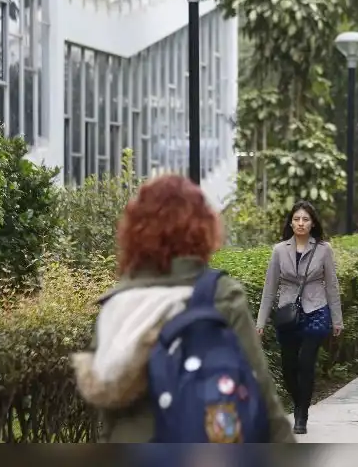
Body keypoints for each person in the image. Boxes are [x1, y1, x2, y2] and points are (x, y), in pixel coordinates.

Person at [71, 175, 296, 443]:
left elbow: (107, 413)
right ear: (202, 229)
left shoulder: (117, 306)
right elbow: (260, 390)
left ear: (134, 232)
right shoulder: (220, 294)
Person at [256, 201, 343, 435]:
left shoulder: (323, 249)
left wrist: (337, 320)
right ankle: (299, 401)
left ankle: (301, 414)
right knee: (288, 367)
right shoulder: (279, 250)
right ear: (291, 223)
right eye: (297, 219)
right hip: (287, 314)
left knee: (306, 363)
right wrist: (261, 322)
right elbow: (269, 288)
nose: (301, 223)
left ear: (312, 223)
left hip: (316, 309)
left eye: (305, 219)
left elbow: (332, 286)